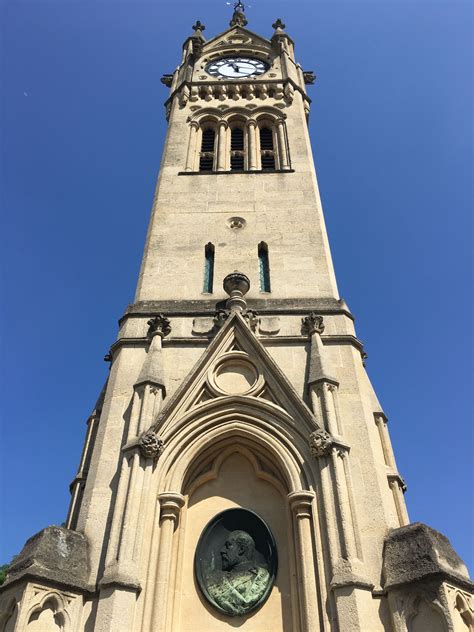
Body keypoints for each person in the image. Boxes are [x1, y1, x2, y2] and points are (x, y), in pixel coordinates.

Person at [206, 530, 270, 616]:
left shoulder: (262, 578)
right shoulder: (214, 580)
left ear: (241, 549)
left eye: (228, 545)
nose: (222, 550)